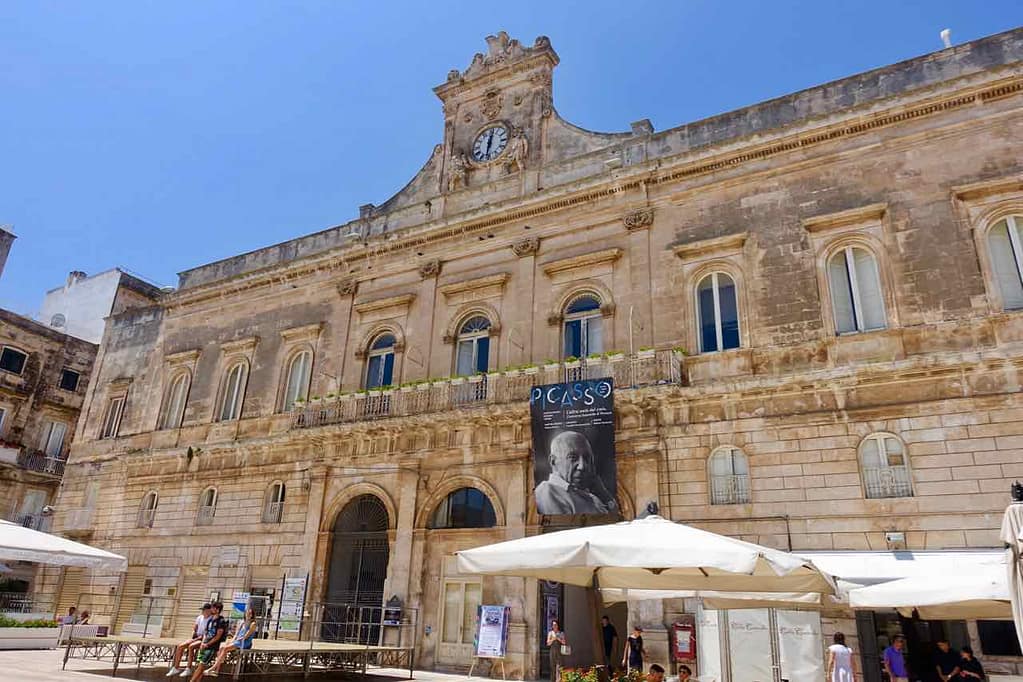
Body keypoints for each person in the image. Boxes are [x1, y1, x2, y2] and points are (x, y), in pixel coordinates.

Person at [535, 431, 619, 515]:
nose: (582, 466)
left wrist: (603, 494)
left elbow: (618, 519)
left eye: (586, 458)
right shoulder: (547, 492)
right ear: (553, 461)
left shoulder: (591, 495)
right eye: (573, 458)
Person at [206, 609, 258, 677]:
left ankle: (212, 668)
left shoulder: (253, 624)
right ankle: (216, 670)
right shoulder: (242, 622)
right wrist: (232, 640)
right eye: (247, 613)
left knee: (225, 649)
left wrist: (236, 641)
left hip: (245, 642)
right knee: (222, 647)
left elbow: (246, 636)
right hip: (238, 640)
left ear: (252, 615)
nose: (248, 615)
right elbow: (236, 634)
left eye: (250, 614)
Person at [167, 603, 212, 677]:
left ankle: (188, 668)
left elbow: (207, 633)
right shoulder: (199, 617)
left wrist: (196, 639)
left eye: (204, 610)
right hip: (196, 636)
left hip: (204, 638)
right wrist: (193, 635)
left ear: (208, 610)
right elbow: (195, 628)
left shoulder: (210, 620)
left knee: (191, 646)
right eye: (203, 610)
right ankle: (176, 667)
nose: (203, 612)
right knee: (180, 646)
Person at [189, 601, 226, 682]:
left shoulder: (221, 621)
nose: (211, 609)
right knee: (200, 665)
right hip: (205, 644)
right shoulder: (210, 620)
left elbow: (218, 636)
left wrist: (207, 644)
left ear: (217, 609)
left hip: (212, 647)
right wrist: (203, 643)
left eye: (213, 608)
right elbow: (206, 633)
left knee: (202, 664)